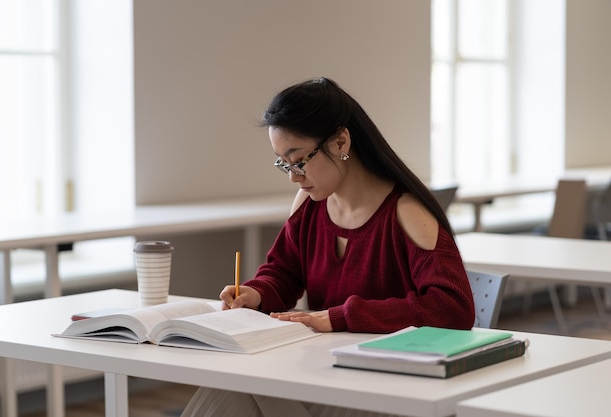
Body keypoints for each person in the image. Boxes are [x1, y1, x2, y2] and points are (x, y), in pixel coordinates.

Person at [179, 77, 475, 417]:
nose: (293, 176)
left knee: (246, 391)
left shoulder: (406, 212)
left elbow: (453, 308)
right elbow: (283, 272)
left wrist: (342, 317)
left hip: (390, 386)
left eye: (299, 160)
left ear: (340, 141)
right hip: (329, 373)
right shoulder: (308, 204)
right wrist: (256, 293)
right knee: (231, 385)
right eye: (283, 164)